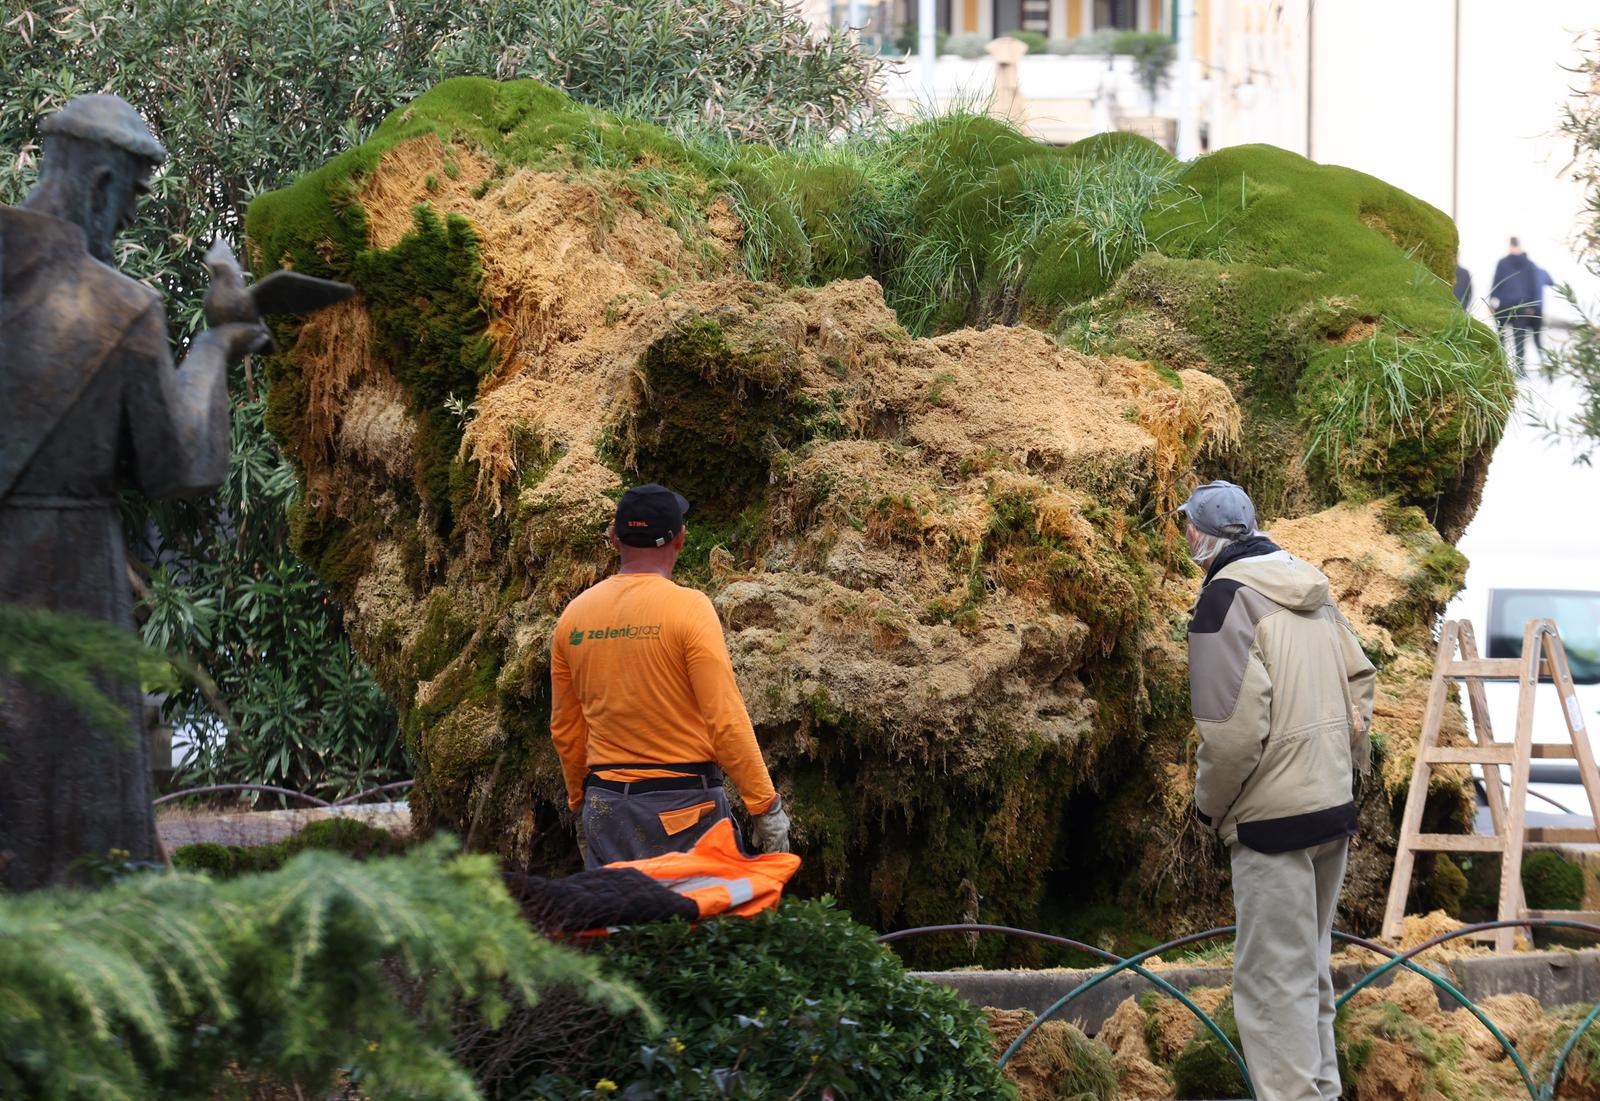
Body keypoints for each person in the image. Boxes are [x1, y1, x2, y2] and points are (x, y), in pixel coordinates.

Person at [0, 96, 268, 890]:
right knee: (78, 801)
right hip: (70, 573)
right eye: (136, 195)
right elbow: (178, 464)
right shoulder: (118, 308)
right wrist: (217, 342)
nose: (132, 216)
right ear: (101, 182)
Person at [1181, 480, 1376, 1101]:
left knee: (1271, 985)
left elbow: (1231, 734)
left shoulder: (1223, 601)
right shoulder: (1310, 586)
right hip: (1330, 808)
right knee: (1308, 971)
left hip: (1271, 824)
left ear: (1199, 536)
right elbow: (1361, 681)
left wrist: (1210, 808)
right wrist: (1340, 762)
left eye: (1186, 527)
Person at [550, 483, 791, 868]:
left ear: (614, 538)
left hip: (606, 808)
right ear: (680, 538)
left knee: (620, 909)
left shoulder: (573, 618)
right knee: (695, 909)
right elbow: (724, 718)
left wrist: (580, 803)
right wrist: (764, 805)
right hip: (683, 810)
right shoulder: (689, 609)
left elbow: (566, 729)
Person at [1489, 237, 1542, 369]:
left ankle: (1500, 367)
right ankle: (1520, 369)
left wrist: (1492, 302)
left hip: (1504, 305)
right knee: (1519, 339)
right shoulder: (1529, 264)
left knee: (1501, 338)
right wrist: (1532, 306)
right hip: (1522, 307)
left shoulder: (1502, 263)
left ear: (1510, 245)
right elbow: (1534, 286)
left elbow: (1496, 283)